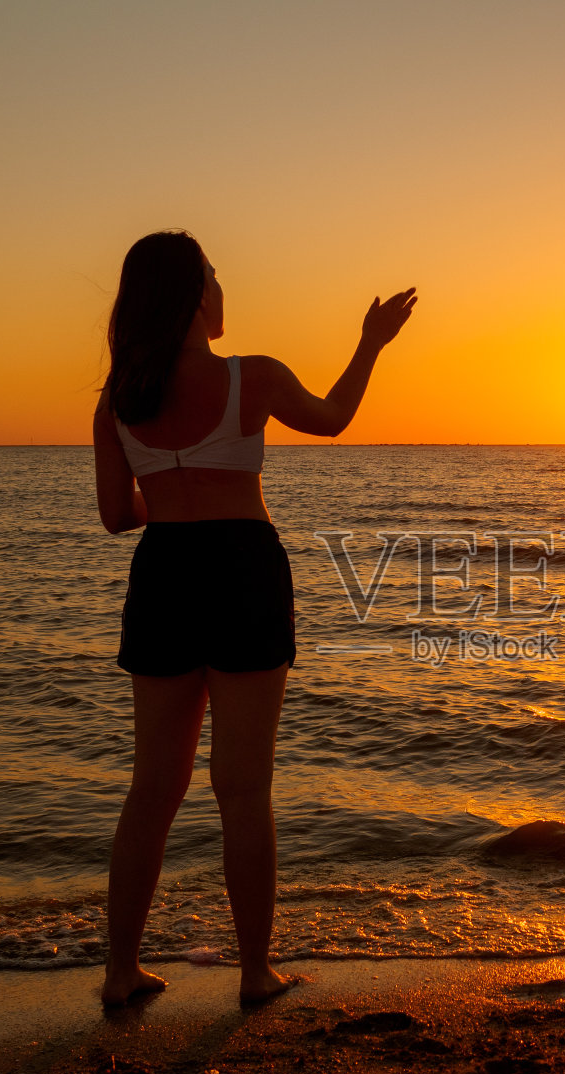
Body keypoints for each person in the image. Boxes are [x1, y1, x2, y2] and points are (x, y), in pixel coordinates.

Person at [91, 229, 416, 1007]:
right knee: (243, 789)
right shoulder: (253, 378)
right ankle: (253, 973)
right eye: (214, 272)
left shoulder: (119, 400)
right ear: (197, 295)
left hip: (164, 572)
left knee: (151, 791)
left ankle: (119, 971)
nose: (221, 285)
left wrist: (169, 493)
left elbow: (114, 515)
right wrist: (371, 343)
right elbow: (334, 417)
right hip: (243, 569)